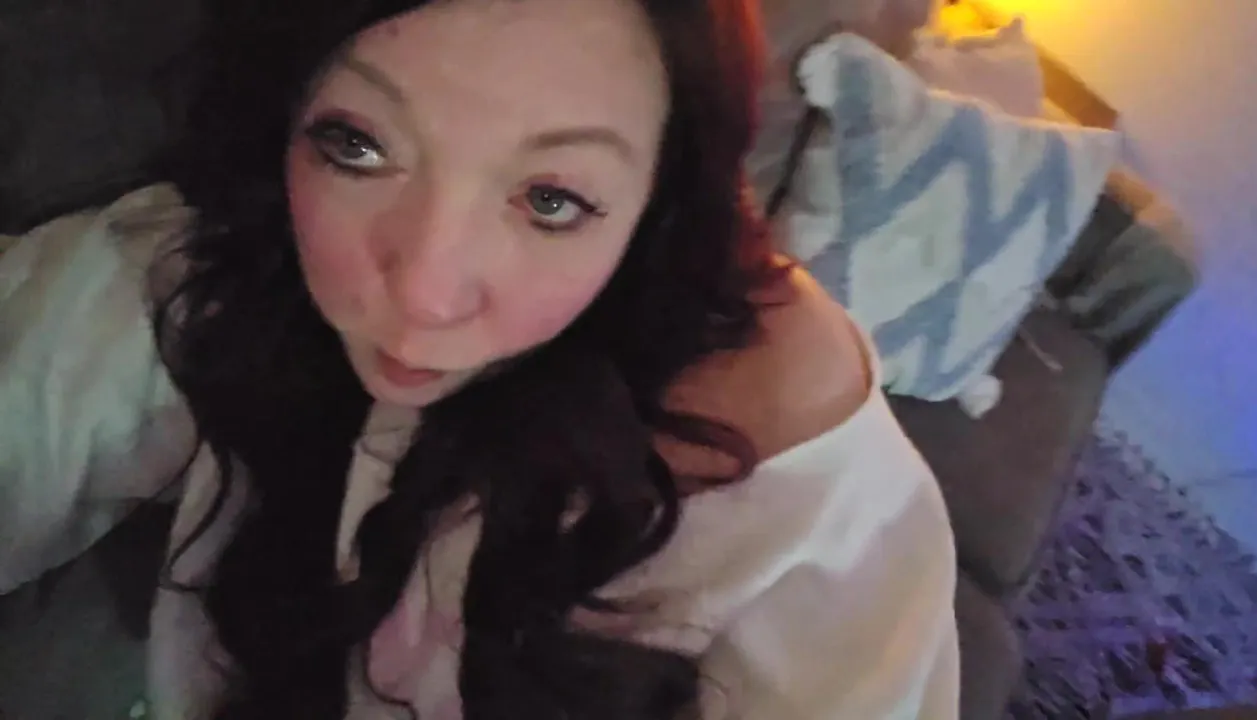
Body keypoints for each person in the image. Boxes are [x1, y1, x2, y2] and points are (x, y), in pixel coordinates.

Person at [133, 0, 961, 717]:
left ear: (657, 207)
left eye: (551, 199)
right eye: (356, 145)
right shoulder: (232, 262)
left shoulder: (810, 496)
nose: (425, 296)